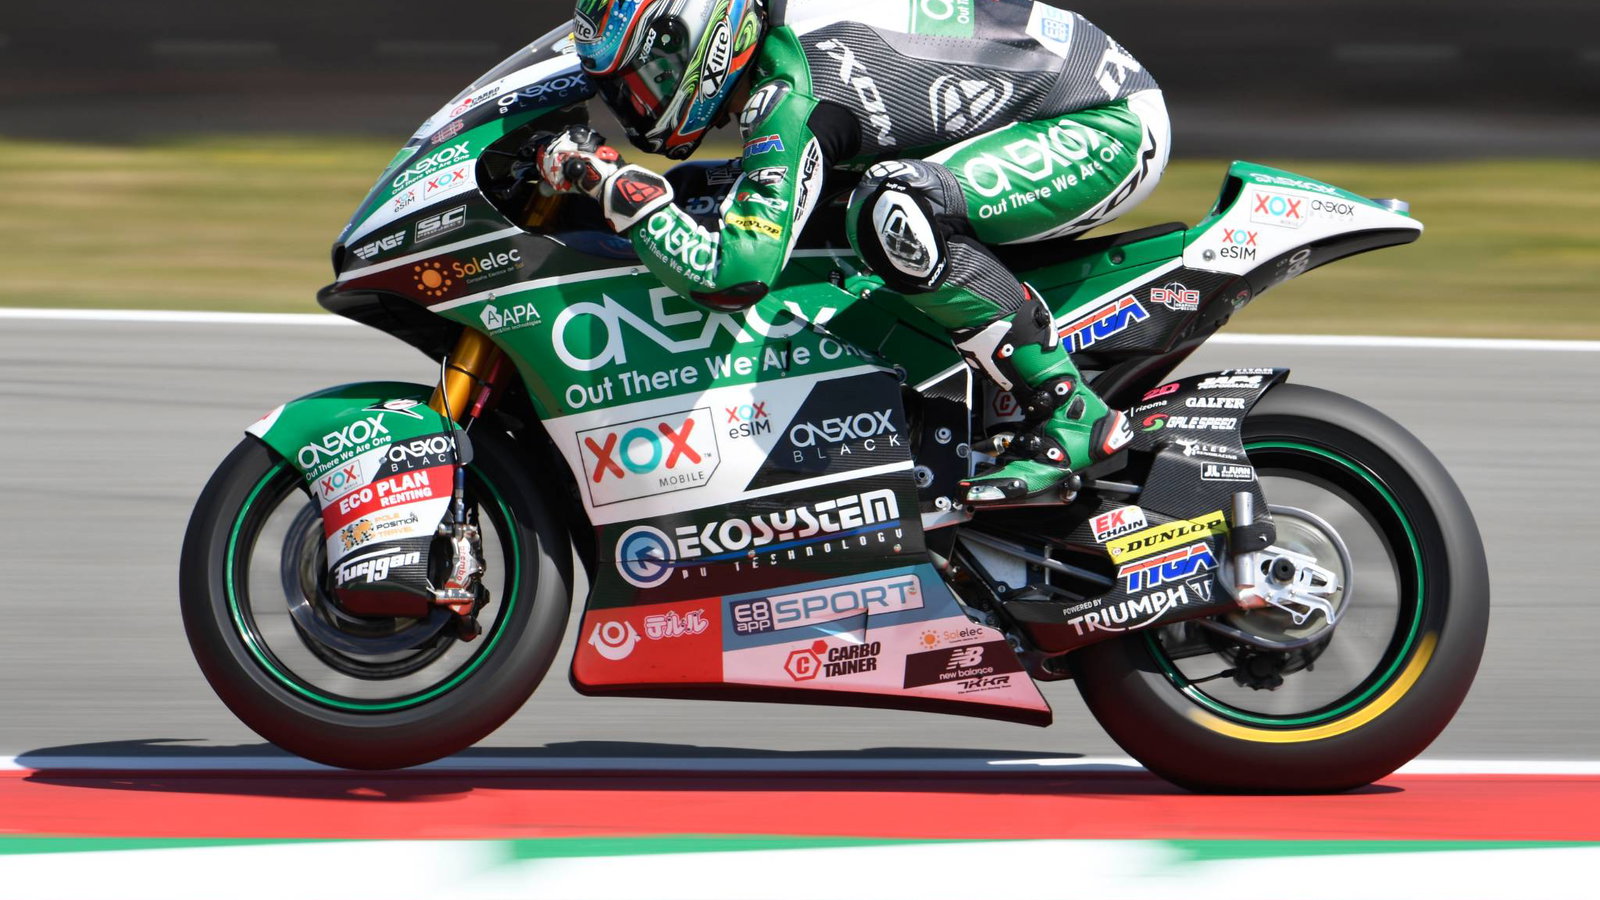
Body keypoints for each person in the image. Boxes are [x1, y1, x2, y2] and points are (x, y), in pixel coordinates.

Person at [538, 0, 1170, 505]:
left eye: (646, 79)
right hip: (1042, 104)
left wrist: (617, 188)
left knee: (895, 207)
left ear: (706, 43)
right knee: (734, 194)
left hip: (1105, 123)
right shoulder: (780, 49)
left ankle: (1073, 415)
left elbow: (732, 275)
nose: (635, 105)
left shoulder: (792, 90)